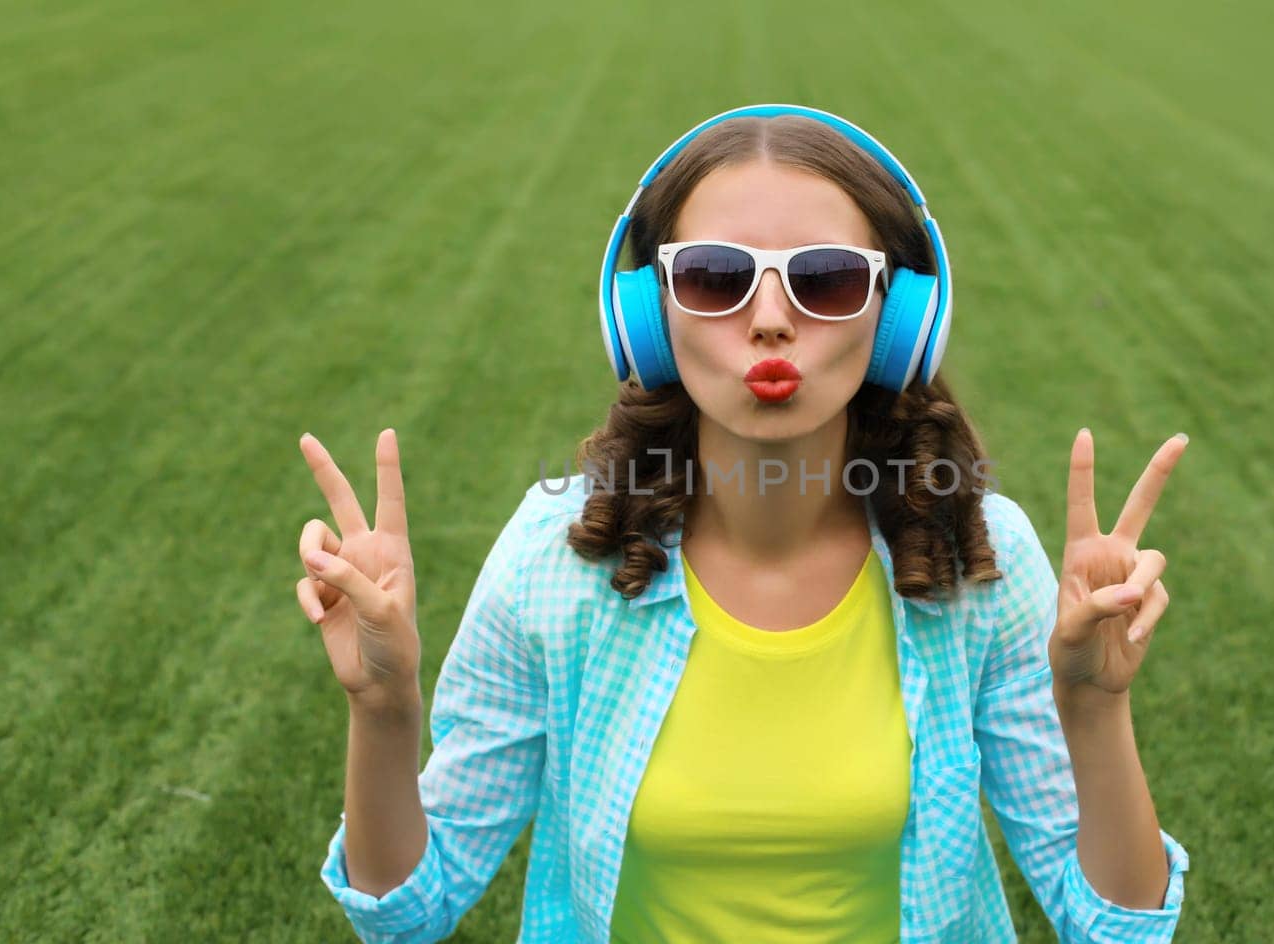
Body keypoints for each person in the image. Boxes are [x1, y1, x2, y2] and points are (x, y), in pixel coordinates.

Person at [296, 105, 1191, 943]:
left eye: (828, 280)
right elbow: (408, 913)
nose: (769, 321)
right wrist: (381, 710)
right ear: (647, 312)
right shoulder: (552, 561)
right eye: (715, 278)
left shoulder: (979, 561)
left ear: (901, 318)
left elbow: (1110, 927)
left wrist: (1096, 706)